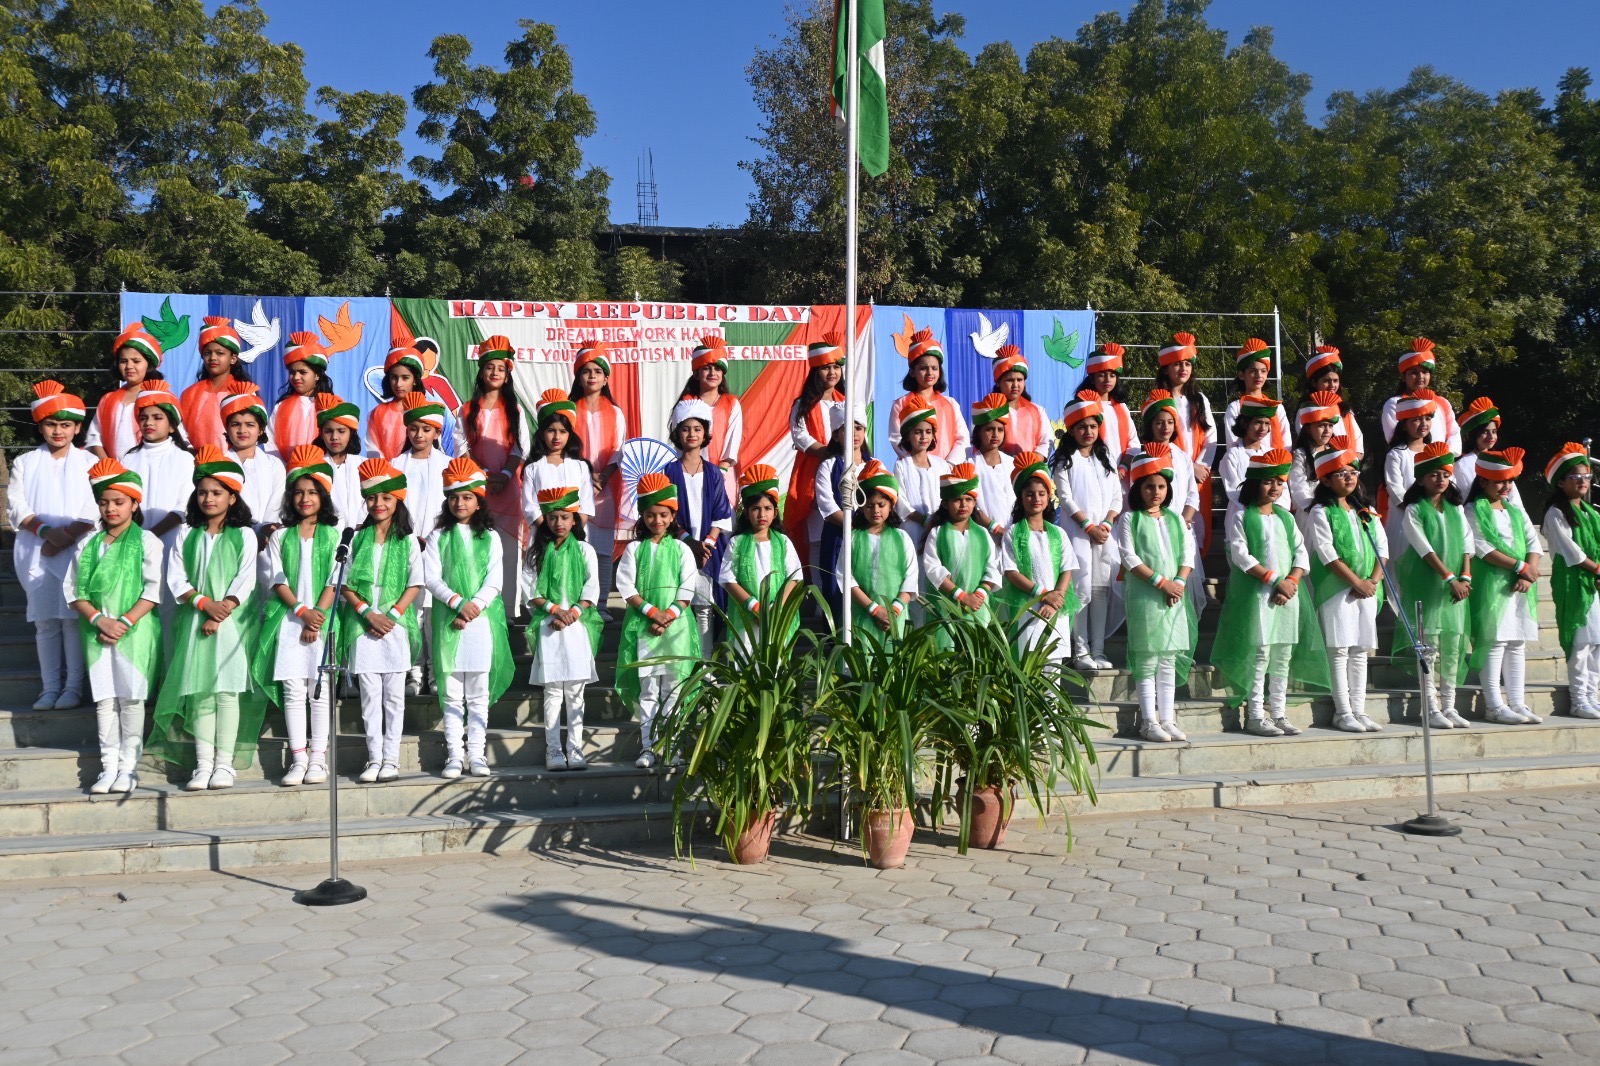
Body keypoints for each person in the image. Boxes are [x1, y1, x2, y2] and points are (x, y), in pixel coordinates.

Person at [148, 447, 264, 790]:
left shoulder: (245, 535)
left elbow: (245, 579)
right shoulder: (187, 534)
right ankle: (203, 764)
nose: (208, 499)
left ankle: (224, 765)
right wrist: (204, 605)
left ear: (232, 497)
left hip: (233, 625)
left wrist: (221, 610)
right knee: (199, 692)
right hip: (194, 621)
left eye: (216, 493)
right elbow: (176, 578)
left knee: (227, 692)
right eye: (202, 492)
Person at [1212, 449, 1328, 737]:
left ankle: (1278, 713)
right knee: (1260, 654)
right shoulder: (1242, 517)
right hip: (1258, 597)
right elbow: (1241, 555)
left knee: (1282, 655)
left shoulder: (1285, 518)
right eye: (1268, 481)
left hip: (1288, 595)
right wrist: (1275, 581)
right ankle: (1254, 715)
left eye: (1279, 482)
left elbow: (1301, 553)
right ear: (1254, 484)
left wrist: (1291, 582)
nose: (1275, 487)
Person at [65, 460, 162, 793]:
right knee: (105, 700)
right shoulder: (87, 544)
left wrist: (123, 622)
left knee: (131, 699)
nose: (110, 508)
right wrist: (99, 620)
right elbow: (73, 590)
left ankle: (128, 768)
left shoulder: (148, 541)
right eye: (104, 502)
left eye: (119, 502)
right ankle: (108, 768)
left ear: (134, 504)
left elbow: (153, 590)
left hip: (135, 631)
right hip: (96, 631)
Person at [254, 445, 340, 787]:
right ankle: (298, 758)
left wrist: (317, 615)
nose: (305, 498)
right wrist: (302, 612)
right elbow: (277, 579)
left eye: (312, 492)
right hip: (290, 620)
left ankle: (318, 758)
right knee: (293, 691)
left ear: (323, 497)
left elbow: (336, 579)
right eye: (299, 492)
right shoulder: (280, 536)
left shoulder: (336, 536)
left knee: (319, 691)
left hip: (324, 621)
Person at [11, 382, 97, 710]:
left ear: (77, 428)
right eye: (51, 424)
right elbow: (16, 505)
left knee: (73, 619)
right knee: (45, 621)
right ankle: (49, 688)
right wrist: (46, 532)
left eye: (65, 424)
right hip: (35, 550)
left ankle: (73, 687)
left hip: (77, 549)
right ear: (40, 426)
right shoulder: (25, 462)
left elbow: (95, 506)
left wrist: (67, 536)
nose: (58, 431)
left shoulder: (90, 462)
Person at [425, 458, 512, 779]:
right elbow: (431, 578)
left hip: (480, 621)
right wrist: (457, 603)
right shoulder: (438, 537)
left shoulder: (490, 537)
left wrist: (473, 607)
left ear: (479, 501)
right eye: (453, 497)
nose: (459, 503)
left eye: (466, 497)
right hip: (448, 619)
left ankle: (477, 754)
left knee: (478, 694)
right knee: (450, 693)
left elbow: (495, 580)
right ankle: (454, 755)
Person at [339, 458, 422, 783]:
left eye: (386, 497)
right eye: (372, 497)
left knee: (394, 697)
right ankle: (374, 758)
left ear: (397, 499)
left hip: (395, 625)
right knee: (370, 696)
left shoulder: (408, 539)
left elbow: (415, 583)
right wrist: (367, 614)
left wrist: (391, 616)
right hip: (362, 625)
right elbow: (344, 583)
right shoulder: (356, 538)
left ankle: (391, 760)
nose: (378, 504)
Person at [1115, 443, 1198, 742]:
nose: (1156, 492)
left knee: (1168, 659)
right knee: (1148, 659)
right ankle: (1148, 721)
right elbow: (1129, 557)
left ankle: (1167, 718)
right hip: (1146, 596)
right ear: (1138, 488)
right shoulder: (1130, 519)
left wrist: (1179, 583)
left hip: (1174, 595)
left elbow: (1187, 555)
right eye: (1150, 486)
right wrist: (1163, 584)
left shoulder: (1176, 519)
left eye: (1161, 486)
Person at [616, 473, 698, 769]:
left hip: (676, 628)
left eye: (663, 514)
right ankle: (648, 747)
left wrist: (668, 616)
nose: (657, 520)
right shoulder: (634, 549)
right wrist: (653, 614)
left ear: (673, 515)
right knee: (649, 690)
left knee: (673, 689)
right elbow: (626, 586)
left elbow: (688, 587)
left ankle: (672, 746)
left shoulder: (682, 549)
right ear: (642, 516)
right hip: (644, 627)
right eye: (651, 515)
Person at [1304, 439, 1386, 733]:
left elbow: (1382, 549)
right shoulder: (1320, 512)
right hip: (1336, 589)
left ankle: (1359, 710)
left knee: (1360, 650)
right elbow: (1327, 553)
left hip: (1367, 589)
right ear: (1326, 480)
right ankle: (1343, 711)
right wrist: (1356, 582)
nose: (1350, 477)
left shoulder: (1366, 510)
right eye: (1341, 473)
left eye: (1353, 472)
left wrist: (1372, 581)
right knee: (1339, 650)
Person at [1392, 442, 1474, 729]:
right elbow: (1424, 549)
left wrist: (1465, 577)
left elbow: (1467, 544)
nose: (1440, 480)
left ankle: (1449, 706)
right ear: (1421, 479)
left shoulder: (1456, 508)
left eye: (1445, 474)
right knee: (1429, 647)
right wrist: (1449, 578)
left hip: (1455, 587)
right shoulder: (1414, 509)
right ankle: (1431, 707)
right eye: (1434, 475)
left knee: (1453, 646)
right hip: (1427, 585)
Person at [525, 485, 602, 771]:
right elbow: (531, 591)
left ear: (574, 520)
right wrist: (557, 612)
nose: (559, 523)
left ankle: (575, 748)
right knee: (553, 692)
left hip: (578, 626)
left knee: (576, 692)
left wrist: (572, 614)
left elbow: (591, 587)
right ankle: (554, 750)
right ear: (545, 519)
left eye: (565, 517)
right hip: (549, 625)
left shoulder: (585, 550)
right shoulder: (536, 553)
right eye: (553, 517)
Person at [1465, 448, 1543, 725]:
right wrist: (1520, 567)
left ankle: (1517, 702)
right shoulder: (1472, 510)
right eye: (1499, 482)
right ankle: (1494, 705)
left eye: (1509, 481)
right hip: (1492, 585)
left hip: (1520, 585)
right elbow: (1481, 547)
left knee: (1516, 641)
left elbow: (1533, 543)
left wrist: (1527, 573)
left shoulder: (1515, 511)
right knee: (1494, 641)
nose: (1506, 487)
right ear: (1483, 481)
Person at [456, 335, 527, 621]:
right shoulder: (466, 409)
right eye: (489, 367)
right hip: (477, 490)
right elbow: (462, 448)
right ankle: (479, 607)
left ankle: (508, 612)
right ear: (481, 371)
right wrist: (485, 476)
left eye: (501, 368)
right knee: (479, 549)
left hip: (508, 489)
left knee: (509, 552)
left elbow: (521, 447)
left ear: (508, 375)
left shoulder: (515, 410)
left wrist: (505, 475)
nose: (495, 372)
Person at [1052, 390, 1121, 671]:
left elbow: (1117, 497)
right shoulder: (1065, 460)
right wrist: (1088, 526)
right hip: (1078, 535)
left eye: (1093, 426)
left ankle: (1099, 650)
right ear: (1071, 430)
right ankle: (1080, 652)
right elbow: (1065, 498)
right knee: (1080, 591)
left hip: (1104, 534)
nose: (1088, 431)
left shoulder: (1106, 458)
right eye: (1082, 427)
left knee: (1100, 590)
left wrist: (1106, 524)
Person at [123, 380, 195, 626]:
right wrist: (135, 537)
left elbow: (183, 507)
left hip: (171, 541)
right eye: (143, 418)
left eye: (157, 417)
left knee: (168, 610)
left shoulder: (184, 459)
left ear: (172, 425)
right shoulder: (128, 459)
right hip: (133, 542)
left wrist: (151, 536)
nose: (149, 423)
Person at [997, 451, 1078, 665]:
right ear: (1021, 498)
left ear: (1049, 497)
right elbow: (1011, 572)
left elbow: (1067, 569)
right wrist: (1043, 595)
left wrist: (1055, 599)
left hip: (1055, 608)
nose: (1036, 499)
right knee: (1028, 665)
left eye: (1041, 494)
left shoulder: (1058, 533)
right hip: (1028, 607)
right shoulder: (1013, 533)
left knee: (1053, 669)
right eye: (1030, 494)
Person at [394, 392, 450, 696]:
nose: (419, 435)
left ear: (436, 432)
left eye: (426, 429)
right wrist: (408, 536)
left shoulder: (448, 465)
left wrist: (434, 535)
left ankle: (435, 670)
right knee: (411, 612)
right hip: (405, 545)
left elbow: (452, 507)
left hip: (438, 546)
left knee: (433, 613)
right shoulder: (395, 465)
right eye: (414, 428)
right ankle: (413, 672)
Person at [665, 398, 733, 651]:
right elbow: (667, 514)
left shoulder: (714, 472)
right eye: (685, 429)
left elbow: (722, 512)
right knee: (681, 605)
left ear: (705, 433)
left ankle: (704, 664)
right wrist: (688, 542)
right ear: (677, 433)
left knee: (705, 608)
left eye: (697, 429)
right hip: (679, 547)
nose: (691, 434)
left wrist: (707, 545)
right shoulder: (669, 472)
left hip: (709, 550)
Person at [1540, 443, 1600, 720]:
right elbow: (1571, 553)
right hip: (1573, 582)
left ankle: (1592, 695)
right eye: (1575, 476)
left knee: (1596, 642)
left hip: (1593, 582)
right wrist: (1597, 570)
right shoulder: (1556, 513)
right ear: (1561, 482)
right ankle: (1579, 699)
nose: (1582, 481)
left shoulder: (1591, 513)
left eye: (1586, 476)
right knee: (1580, 641)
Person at [720, 465, 803, 653]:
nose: (762, 514)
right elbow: (727, 579)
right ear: (746, 512)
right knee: (747, 659)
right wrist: (755, 607)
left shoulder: (783, 542)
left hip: (777, 615)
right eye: (755, 509)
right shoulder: (736, 542)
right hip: (746, 617)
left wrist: (774, 609)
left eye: (767, 508)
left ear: (775, 512)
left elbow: (795, 578)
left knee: (776, 661)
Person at [569, 341, 628, 606]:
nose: (592, 376)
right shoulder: (569, 410)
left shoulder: (615, 413)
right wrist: (584, 475)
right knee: (576, 547)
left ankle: (601, 603)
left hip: (605, 487)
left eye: (597, 371)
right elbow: (565, 448)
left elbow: (618, 450)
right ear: (578, 376)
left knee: (602, 549)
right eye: (586, 371)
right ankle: (576, 601)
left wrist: (603, 476)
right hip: (574, 486)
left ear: (606, 379)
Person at [1138, 390, 1206, 616]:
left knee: (1181, 582)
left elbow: (1192, 494)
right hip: (1152, 527)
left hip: (1180, 527)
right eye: (1159, 422)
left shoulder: (1182, 456)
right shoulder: (1142, 455)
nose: (1165, 427)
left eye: (1169, 422)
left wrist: (1184, 519)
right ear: (1150, 425)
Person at [838, 459, 919, 647]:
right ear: (861, 507)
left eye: (881, 505)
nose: (875, 510)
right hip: (861, 617)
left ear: (891, 505)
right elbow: (845, 577)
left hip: (895, 617)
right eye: (869, 505)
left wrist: (892, 611)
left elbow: (910, 578)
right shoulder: (852, 538)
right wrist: (874, 609)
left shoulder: (902, 538)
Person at [785, 333, 847, 572]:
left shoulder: (846, 402)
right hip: (812, 471)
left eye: (836, 367)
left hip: (842, 470)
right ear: (815, 371)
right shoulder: (803, 404)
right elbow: (800, 435)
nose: (832, 372)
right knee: (816, 535)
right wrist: (828, 453)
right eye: (825, 367)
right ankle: (815, 584)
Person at [920, 463, 1000, 642]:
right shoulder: (937, 533)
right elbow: (933, 570)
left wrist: (978, 595)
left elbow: (993, 567)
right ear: (945, 504)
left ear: (974, 503)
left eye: (969, 499)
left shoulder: (983, 534)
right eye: (957, 499)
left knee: (975, 651)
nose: (963, 504)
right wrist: (962, 597)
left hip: (977, 606)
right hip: (946, 608)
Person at [1154, 333, 1218, 550]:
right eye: (1177, 364)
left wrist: (1201, 466)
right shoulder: (1158, 400)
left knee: (1196, 524)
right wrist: (1189, 467)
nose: (1183, 368)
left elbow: (1211, 437)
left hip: (1200, 473)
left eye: (1187, 364)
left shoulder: (1199, 400)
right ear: (1166, 369)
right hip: (1171, 468)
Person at [521, 388, 598, 548]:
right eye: (551, 431)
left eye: (562, 431)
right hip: (542, 538)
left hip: (574, 537)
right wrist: (550, 532)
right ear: (542, 433)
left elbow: (586, 505)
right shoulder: (532, 468)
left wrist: (570, 532)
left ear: (570, 434)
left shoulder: (581, 467)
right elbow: (530, 507)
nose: (557, 437)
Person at [815, 404, 872, 616]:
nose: (854, 434)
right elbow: (828, 507)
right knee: (835, 593)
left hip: (870, 539)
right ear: (836, 435)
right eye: (847, 429)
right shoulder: (828, 466)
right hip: (838, 538)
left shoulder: (875, 466)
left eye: (858, 428)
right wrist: (856, 526)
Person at [888, 327, 970, 462]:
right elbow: (896, 438)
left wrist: (949, 464)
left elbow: (962, 439)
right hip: (912, 468)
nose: (930, 373)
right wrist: (919, 463)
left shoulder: (951, 404)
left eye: (934, 368)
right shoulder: (901, 404)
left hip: (947, 470)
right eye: (923, 368)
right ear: (912, 372)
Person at [220, 381, 284, 548]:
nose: (242, 430)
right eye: (235, 424)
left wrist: (264, 533)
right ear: (227, 428)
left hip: (267, 541)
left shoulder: (273, 464)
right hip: (228, 541)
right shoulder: (218, 464)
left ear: (261, 430)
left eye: (250, 425)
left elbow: (277, 504)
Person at [681, 335, 743, 505]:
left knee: (722, 517)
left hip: (723, 473)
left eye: (717, 369)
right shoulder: (686, 404)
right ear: (696, 373)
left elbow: (732, 442)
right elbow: (681, 442)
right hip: (691, 472)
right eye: (707, 368)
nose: (712, 373)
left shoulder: (731, 404)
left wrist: (719, 472)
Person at [88, 324, 163, 460]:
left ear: (149, 364)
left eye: (136, 361)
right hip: (111, 468)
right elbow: (94, 437)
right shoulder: (108, 400)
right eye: (123, 361)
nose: (129, 366)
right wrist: (109, 465)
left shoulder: (161, 397)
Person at [180, 316, 252, 451]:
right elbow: (181, 430)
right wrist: (191, 452)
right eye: (207, 353)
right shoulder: (190, 393)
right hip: (196, 458)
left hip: (233, 458)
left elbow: (250, 429)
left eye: (220, 353)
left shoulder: (243, 392)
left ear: (233, 358)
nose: (212, 358)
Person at [1381, 337, 1461, 454]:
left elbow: (1454, 432)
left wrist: (1445, 456)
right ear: (1403, 377)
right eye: (1414, 372)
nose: (1420, 377)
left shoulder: (1442, 402)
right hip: (1411, 460)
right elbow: (1394, 438)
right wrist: (1422, 457)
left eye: (1425, 372)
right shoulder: (1394, 403)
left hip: (1442, 461)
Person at [891, 395, 949, 550]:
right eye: (918, 432)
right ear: (908, 436)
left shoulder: (942, 465)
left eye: (928, 432)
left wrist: (938, 520)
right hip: (912, 529)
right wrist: (924, 520)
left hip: (940, 528)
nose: (924, 437)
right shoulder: (902, 466)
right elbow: (901, 502)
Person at [1381, 389, 1436, 550]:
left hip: (1434, 517)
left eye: (1427, 418)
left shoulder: (1435, 452)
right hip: (1405, 518)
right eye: (1417, 419)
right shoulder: (1396, 454)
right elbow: (1395, 490)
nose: (1424, 424)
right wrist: (1417, 511)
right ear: (1404, 425)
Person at [1454, 396, 1524, 509]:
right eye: (1484, 432)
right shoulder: (1462, 465)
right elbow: (1464, 500)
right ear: (1472, 435)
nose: (1491, 437)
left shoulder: (1501, 459)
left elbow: (1514, 499)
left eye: (1494, 431)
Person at [272, 331, 333, 458]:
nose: (296, 377)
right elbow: (271, 443)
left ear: (317, 375)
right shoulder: (281, 407)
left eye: (302, 372)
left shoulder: (332, 406)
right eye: (292, 372)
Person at [1221, 339, 1291, 449]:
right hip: (1244, 459)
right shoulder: (1235, 408)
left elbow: (1287, 444)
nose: (1259, 375)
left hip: (1277, 459)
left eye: (1263, 371)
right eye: (1253, 371)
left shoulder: (1277, 408)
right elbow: (1233, 445)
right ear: (1241, 375)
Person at [1218, 394, 1283, 512]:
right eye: (1257, 422)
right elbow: (1234, 490)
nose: (1263, 428)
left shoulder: (1272, 454)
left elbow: (1282, 486)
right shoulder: (1232, 455)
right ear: (1244, 423)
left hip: (1271, 513)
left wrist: (1275, 510)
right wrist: (1256, 510)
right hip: (1241, 513)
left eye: (1267, 423)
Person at [365, 344, 426, 459]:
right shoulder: (378, 413)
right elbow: (373, 449)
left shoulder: (426, 410)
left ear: (415, 380)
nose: (398, 384)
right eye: (394, 377)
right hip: (385, 469)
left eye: (405, 378)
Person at [1304, 345, 1365, 458]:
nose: (1332, 385)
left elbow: (1358, 442)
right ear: (1314, 383)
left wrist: (1351, 463)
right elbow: (1308, 444)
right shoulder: (1307, 410)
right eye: (1326, 381)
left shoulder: (1345, 410)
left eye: (1335, 381)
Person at [315, 392, 365, 527]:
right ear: (321, 434)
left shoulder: (363, 465)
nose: (334, 437)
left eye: (341, 431)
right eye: (328, 431)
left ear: (351, 433)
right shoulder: (315, 466)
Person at [1083, 342, 1139, 461]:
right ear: (1092, 379)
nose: (1108, 380)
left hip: (1123, 469)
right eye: (1102, 375)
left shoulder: (1122, 408)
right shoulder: (1085, 407)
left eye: (1112, 375)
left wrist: (1124, 466)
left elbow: (1133, 442)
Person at [992, 345, 1052, 456]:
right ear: (998, 382)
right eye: (1010, 380)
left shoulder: (1037, 411)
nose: (1015, 385)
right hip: (999, 466)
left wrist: (1031, 461)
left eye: (1019, 380)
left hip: (1031, 465)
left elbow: (1047, 442)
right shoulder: (989, 410)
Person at [1289, 392, 1341, 514]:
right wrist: (1313, 507)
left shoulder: (1336, 453)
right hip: (1310, 511)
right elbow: (1297, 484)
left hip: (1337, 509)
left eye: (1330, 426)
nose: (1327, 430)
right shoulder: (1300, 454)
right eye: (1321, 426)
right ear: (1307, 429)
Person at [969, 394, 1013, 537]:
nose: (995, 434)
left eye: (1000, 429)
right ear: (979, 432)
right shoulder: (969, 466)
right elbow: (972, 508)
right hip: (982, 535)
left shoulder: (1012, 464)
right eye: (989, 429)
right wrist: (995, 528)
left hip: (1013, 534)